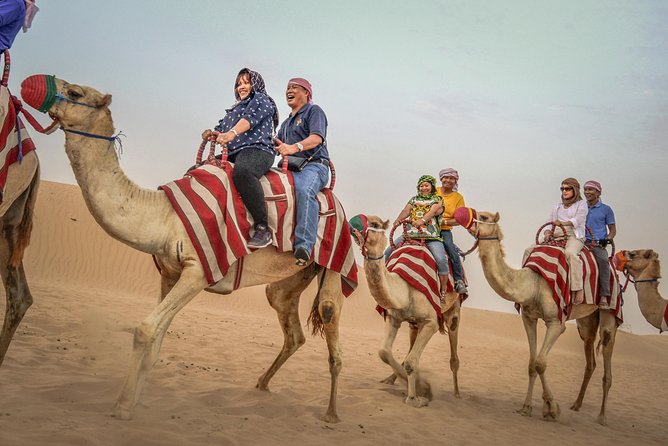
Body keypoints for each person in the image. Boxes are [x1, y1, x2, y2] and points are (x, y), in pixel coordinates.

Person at [201, 68, 279, 248]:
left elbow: (249, 120)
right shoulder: (234, 109)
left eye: (246, 82)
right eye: (238, 84)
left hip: (257, 150)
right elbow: (221, 128)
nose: (241, 87)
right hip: (234, 152)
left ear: (255, 85)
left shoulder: (262, 100)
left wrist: (231, 133)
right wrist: (212, 133)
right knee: (200, 170)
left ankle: (262, 227)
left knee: (243, 173)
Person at [275, 78, 330, 265]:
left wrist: (293, 147)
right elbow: (276, 143)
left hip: (314, 165)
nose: (289, 90)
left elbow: (316, 138)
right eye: (287, 87)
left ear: (306, 93)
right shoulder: (286, 123)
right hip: (290, 166)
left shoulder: (314, 111)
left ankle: (304, 245)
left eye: (294, 88)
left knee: (304, 191)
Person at [384, 175, 456, 308]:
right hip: (411, 234)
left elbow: (433, 211)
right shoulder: (414, 199)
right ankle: (381, 280)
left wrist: (422, 221)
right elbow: (406, 210)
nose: (424, 188)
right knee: (388, 251)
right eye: (421, 186)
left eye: (427, 185)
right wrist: (398, 220)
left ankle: (443, 290)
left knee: (441, 259)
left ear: (432, 187)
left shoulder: (437, 199)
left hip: (431, 237)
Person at [526, 177, 588, 304]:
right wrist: (548, 232)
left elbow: (578, 220)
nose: (564, 191)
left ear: (575, 190)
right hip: (556, 234)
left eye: (567, 189)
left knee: (570, 254)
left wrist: (562, 223)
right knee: (529, 250)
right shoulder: (557, 206)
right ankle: (526, 282)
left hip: (573, 235)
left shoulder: (581, 204)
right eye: (562, 189)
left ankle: (578, 288)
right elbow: (549, 222)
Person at [436, 168, 468, 294]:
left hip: (444, 231)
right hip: (425, 227)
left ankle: (458, 280)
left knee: (451, 250)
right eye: (446, 177)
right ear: (441, 179)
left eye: (451, 178)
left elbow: (460, 219)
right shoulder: (433, 191)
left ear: (455, 181)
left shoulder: (458, 198)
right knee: (398, 244)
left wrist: (443, 222)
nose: (448, 180)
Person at [584, 180, 616, 298]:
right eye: (586, 189)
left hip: (597, 243)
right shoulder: (581, 208)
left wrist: (607, 239)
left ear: (598, 192)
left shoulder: (606, 209)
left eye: (590, 189)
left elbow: (613, 230)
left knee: (603, 261)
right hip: (581, 242)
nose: (587, 192)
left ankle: (604, 294)